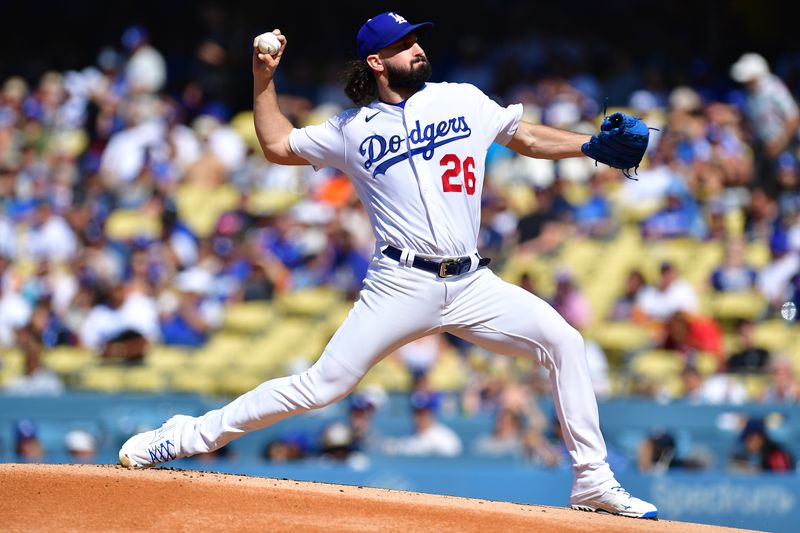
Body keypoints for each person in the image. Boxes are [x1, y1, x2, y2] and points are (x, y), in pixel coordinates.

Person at [119, 12, 657, 518]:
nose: (418, 48)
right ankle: (186, 436)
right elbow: (278, 144)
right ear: (377, 62)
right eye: (404, 44)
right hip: (400, 282)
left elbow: (527, 137)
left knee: (564, 340)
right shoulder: (352, 127)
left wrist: (587, 144)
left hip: (472, 282)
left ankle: (591, 478)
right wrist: (263, 76)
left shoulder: (462, 100)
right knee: (320, 387)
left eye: (417, 40)